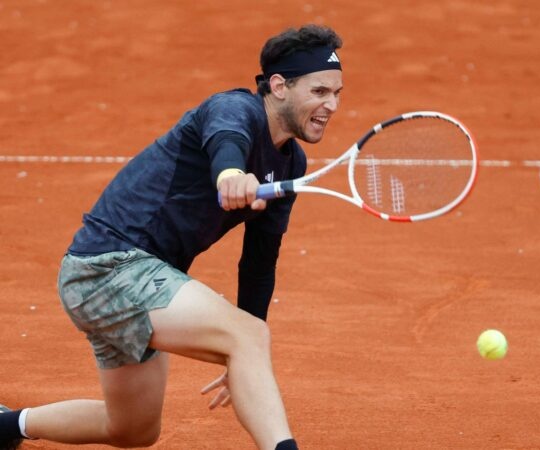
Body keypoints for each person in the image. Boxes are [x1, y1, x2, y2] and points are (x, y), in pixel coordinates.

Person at [0, 24, 343, 450]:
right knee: (246, 336)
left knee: (132, 430)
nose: (332, 104)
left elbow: (259, 259)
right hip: (109, 266)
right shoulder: (234, 109)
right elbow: (227, 142)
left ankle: (6, 426)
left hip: (136, 279)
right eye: (320, 91)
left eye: (337, 93)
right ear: (278, 86)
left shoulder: (291, 163)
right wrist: (232, 176)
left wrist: (246, 350)